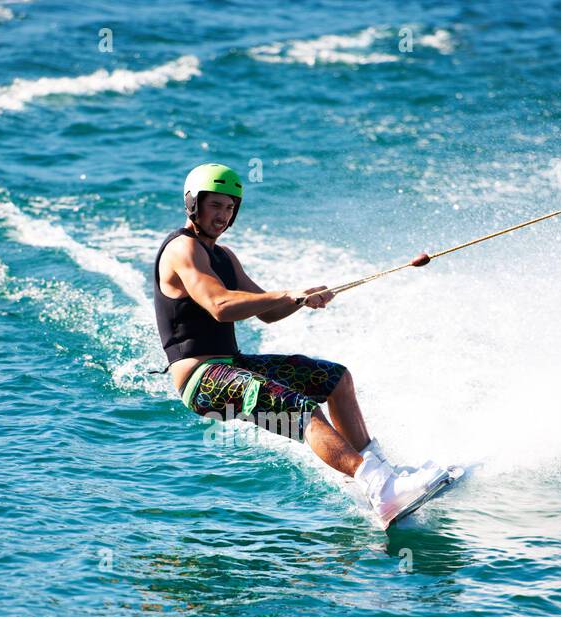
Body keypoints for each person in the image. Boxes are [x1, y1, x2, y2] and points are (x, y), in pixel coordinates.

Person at [152, 162, 451, 527]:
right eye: (215, 205)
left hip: (232, 364)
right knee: (298, 408)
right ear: (193, 204)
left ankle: (381, 478)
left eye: (230, 207)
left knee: (335, 379)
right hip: (201, 379)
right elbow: (220, 306)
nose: (223, 215)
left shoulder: (224, 256)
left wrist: (303, 297)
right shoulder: (182, 250)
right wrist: (287, 293)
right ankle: (380, 490)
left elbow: (267, 313)